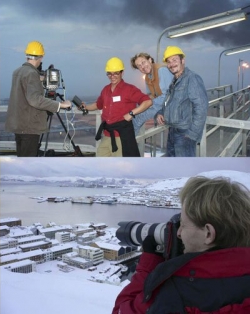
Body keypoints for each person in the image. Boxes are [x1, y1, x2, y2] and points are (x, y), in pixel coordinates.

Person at [113, 176, 250, 313]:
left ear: (208, 234)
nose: (178, 233)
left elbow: (121, 309)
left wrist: (148, 267)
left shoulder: (174, 294)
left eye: (183, 225)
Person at [4, 41, 71, 157]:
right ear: (41, 57)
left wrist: (38, 79)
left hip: (19, 125)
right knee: (27, 159)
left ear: (27, 55)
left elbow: (23, 92)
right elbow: (34, 100)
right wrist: (60, 105)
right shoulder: (31, 74)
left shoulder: (18, 72)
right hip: (29, 127)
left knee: (22, 157)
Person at [81, 57, 152, 157]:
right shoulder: (105, 90)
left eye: (116, 73)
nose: (112, 76)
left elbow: (147, 101)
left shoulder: (129, 89)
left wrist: (131, 113)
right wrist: (86, 107)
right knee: (100, 166)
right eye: (109, 73)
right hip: (106, 135)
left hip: (121, 138)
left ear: (122, 73)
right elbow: (98, 105)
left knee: (119, 168)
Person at [156, 46, 208, 157]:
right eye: (168, 62)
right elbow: (168, 102)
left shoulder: (192, 78)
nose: (171, 64)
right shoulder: (175, 81)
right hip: (172, 131)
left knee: (185, 170)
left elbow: (201, 108)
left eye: (174, 60)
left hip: (185, 134)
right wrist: (161, 112)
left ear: (182, 60)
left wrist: (192, 135)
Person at [130, 52, 174, 134]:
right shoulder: (148, 77)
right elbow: (150, 96)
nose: (142, 67)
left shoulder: (161, 70)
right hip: (163, 105)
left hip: (173, 105)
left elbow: (168, 95)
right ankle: (132, 141)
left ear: (150, 60)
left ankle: (131, 142)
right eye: (139, 66)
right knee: (136, 113)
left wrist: (149, 104)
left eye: (143, 62)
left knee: (136, 119)